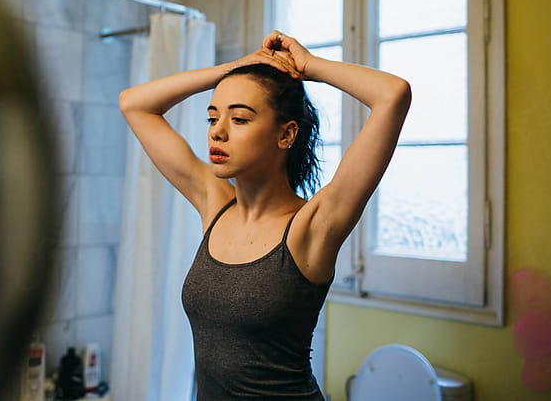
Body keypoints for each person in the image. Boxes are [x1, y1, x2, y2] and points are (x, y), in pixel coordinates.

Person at [119, 30, 411, 400]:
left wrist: (309, 66)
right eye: (213, 118)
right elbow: (134, 104)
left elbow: (393, 95)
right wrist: (236, 69)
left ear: (286, 134)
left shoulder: (312, 227)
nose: (218, 133)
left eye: (239, 119)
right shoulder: (215, 207)